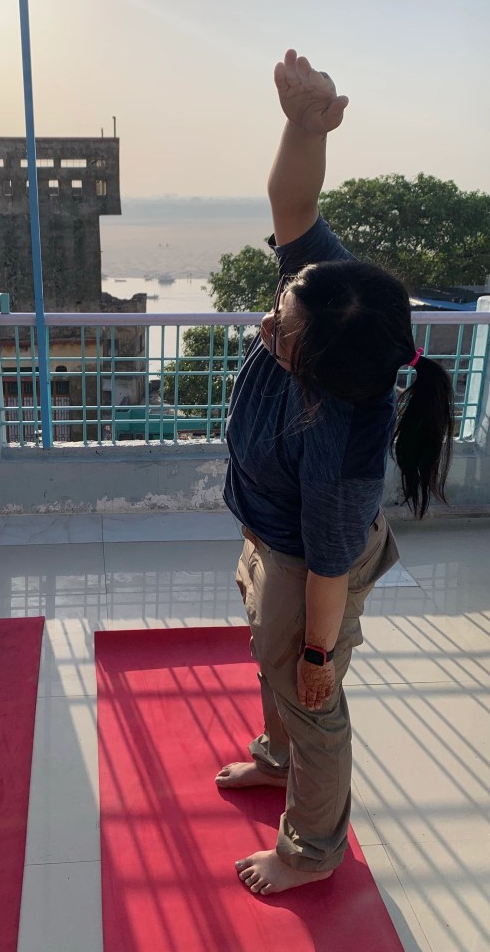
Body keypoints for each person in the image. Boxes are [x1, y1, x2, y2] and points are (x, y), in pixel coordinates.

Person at [215, 49, 455, 896]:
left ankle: (309, 848)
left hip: (311, 563)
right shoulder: (336, 294)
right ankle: (276, 756)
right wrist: (302, 125)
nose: (267, 318)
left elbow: (325, 566)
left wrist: (317, 650)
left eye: (278, 327)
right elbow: (294, 201)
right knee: (266, 658)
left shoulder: (341, 448)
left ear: (317, 367)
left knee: (310, 696)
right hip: (274, 537)